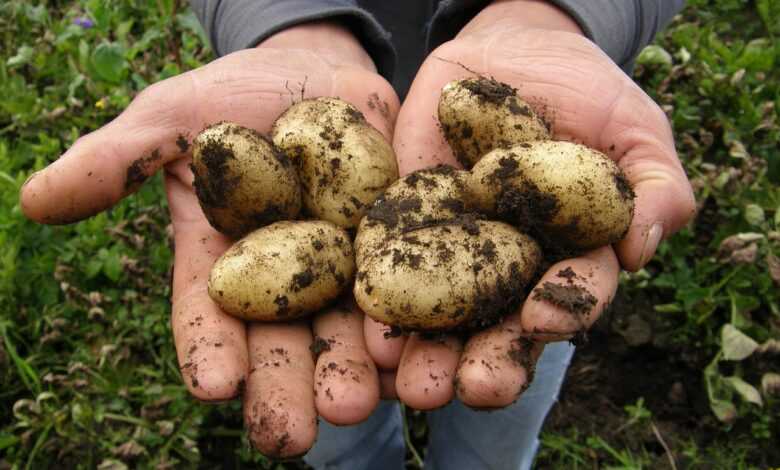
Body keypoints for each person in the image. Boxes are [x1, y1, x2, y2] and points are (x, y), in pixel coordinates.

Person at [20, 1, 695, 468]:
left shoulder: (484, 186)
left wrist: (551, 12)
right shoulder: (348, 212)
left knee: (509, 382)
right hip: (324, 83)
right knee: (330, 407)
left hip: (524, 173)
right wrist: (287, 24)